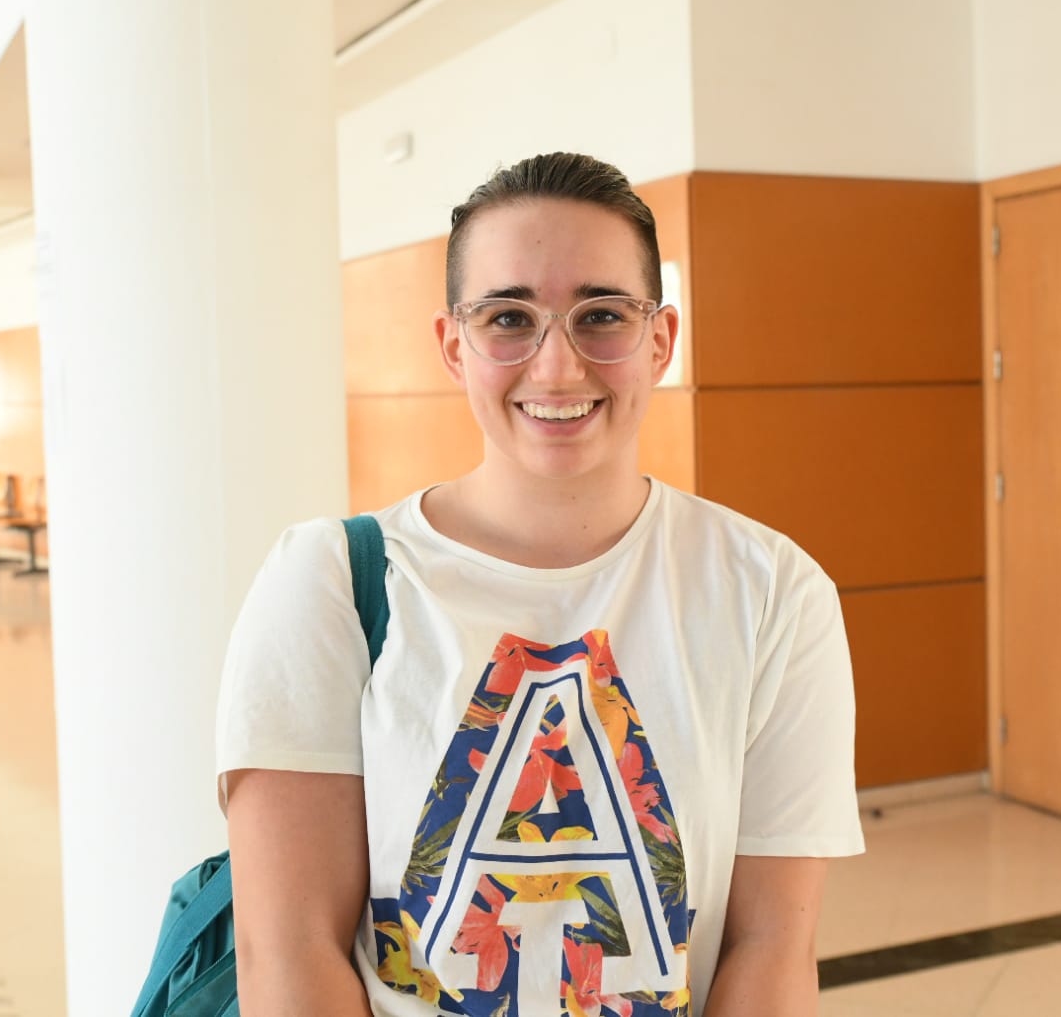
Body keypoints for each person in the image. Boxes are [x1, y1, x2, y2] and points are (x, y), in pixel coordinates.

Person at [215, 152, 865, 1017]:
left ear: (660, 340)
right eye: (508, 318)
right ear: (454, 346)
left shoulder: (771, 593)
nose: (556, 368)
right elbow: (289, 954)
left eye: (602, 315)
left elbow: (772, 946)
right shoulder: (330, 583)